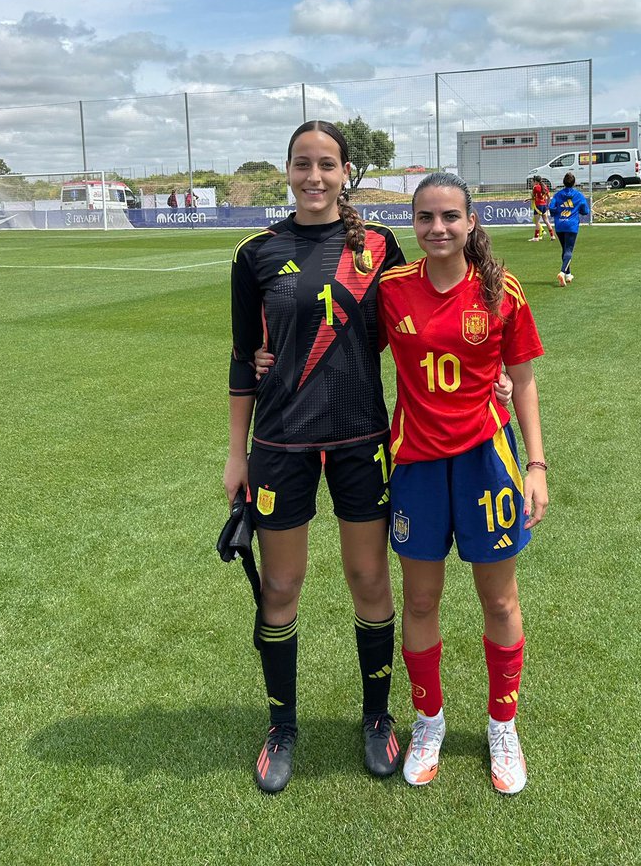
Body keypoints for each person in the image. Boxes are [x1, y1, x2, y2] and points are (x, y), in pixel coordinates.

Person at [224, 120, 406, 794]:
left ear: (345, 171)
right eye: (303, 164)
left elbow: (411, 336)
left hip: (361, 438)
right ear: (288, 171)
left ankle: (378, 718)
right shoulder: (256, 255)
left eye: (326, 165)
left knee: (368, 580)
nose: (314, 177)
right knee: (280, 587)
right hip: (279, 445)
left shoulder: (383, 249)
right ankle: (283, 726)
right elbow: (245, 357)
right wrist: (236, 454)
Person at [376, 172, 547, 796]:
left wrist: (536, 466)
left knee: (499, 601)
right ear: (413, 225)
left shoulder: (502, 290)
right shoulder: (392, 291)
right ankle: (429, 721)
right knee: (420, 602)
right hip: (416, 466)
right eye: (425, 218)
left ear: (471, 221)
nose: (438, 228)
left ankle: (503, 726)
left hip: (487, 463)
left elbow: (522, 381)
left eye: (450, 216)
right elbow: (340, 340)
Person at [548, 172, 591, 286]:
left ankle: (568, 274)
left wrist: (556, 213)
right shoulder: (578, 195)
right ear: (574, 183)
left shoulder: (558, 195)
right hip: (571, 225)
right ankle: (562, 272)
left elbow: (551, 207)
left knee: (564, 249)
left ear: (563, 182)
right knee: (569, 250)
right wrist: (577, 210)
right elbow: (585, 211)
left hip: (560, 225)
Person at [528, 176, 556, 243]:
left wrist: (529, 198)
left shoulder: (535, 187)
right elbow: (549, 197)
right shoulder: (545, 187)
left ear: (535, 181)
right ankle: (552, 236)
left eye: (532, 181)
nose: (532, 183)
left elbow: (534, 197)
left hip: (538, 206)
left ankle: (536, 237)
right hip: (544, 205)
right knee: (547, 221)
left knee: (537, 222)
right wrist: (547, 205)